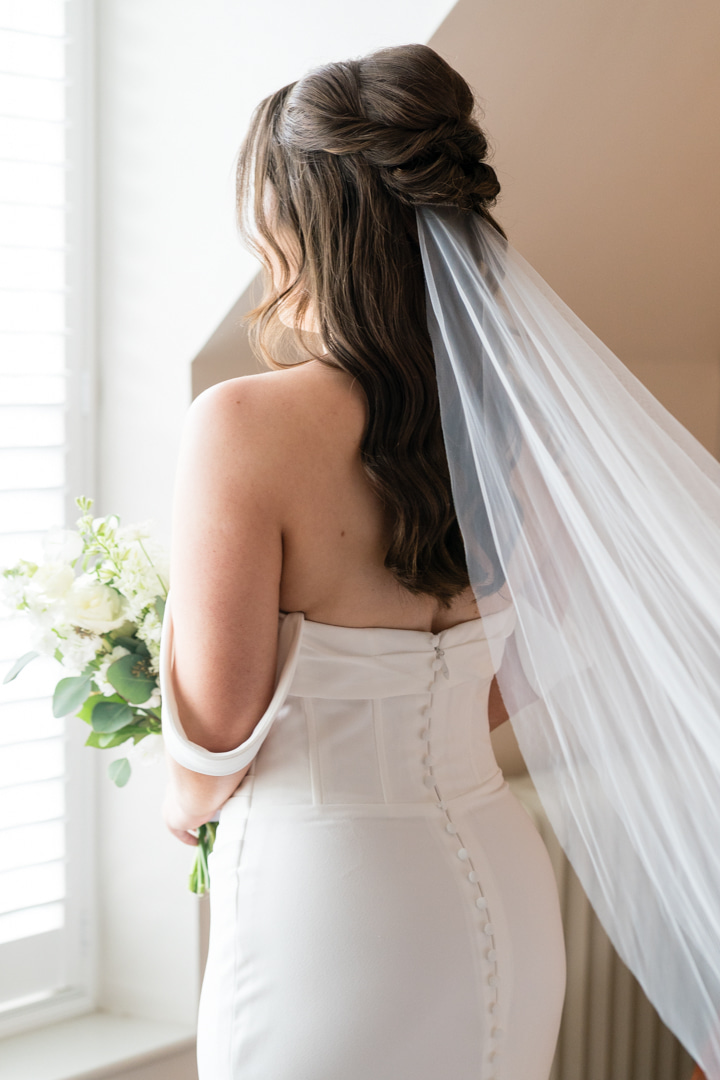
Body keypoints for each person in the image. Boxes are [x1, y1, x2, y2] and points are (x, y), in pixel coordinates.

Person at [159, 42, 720, 1080]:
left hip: (324, 904)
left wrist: (180, 804)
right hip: (497, 887)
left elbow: (221, 727)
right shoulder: (522, 423)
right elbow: (541, 657)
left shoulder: (242, 425)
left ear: (303, 229)